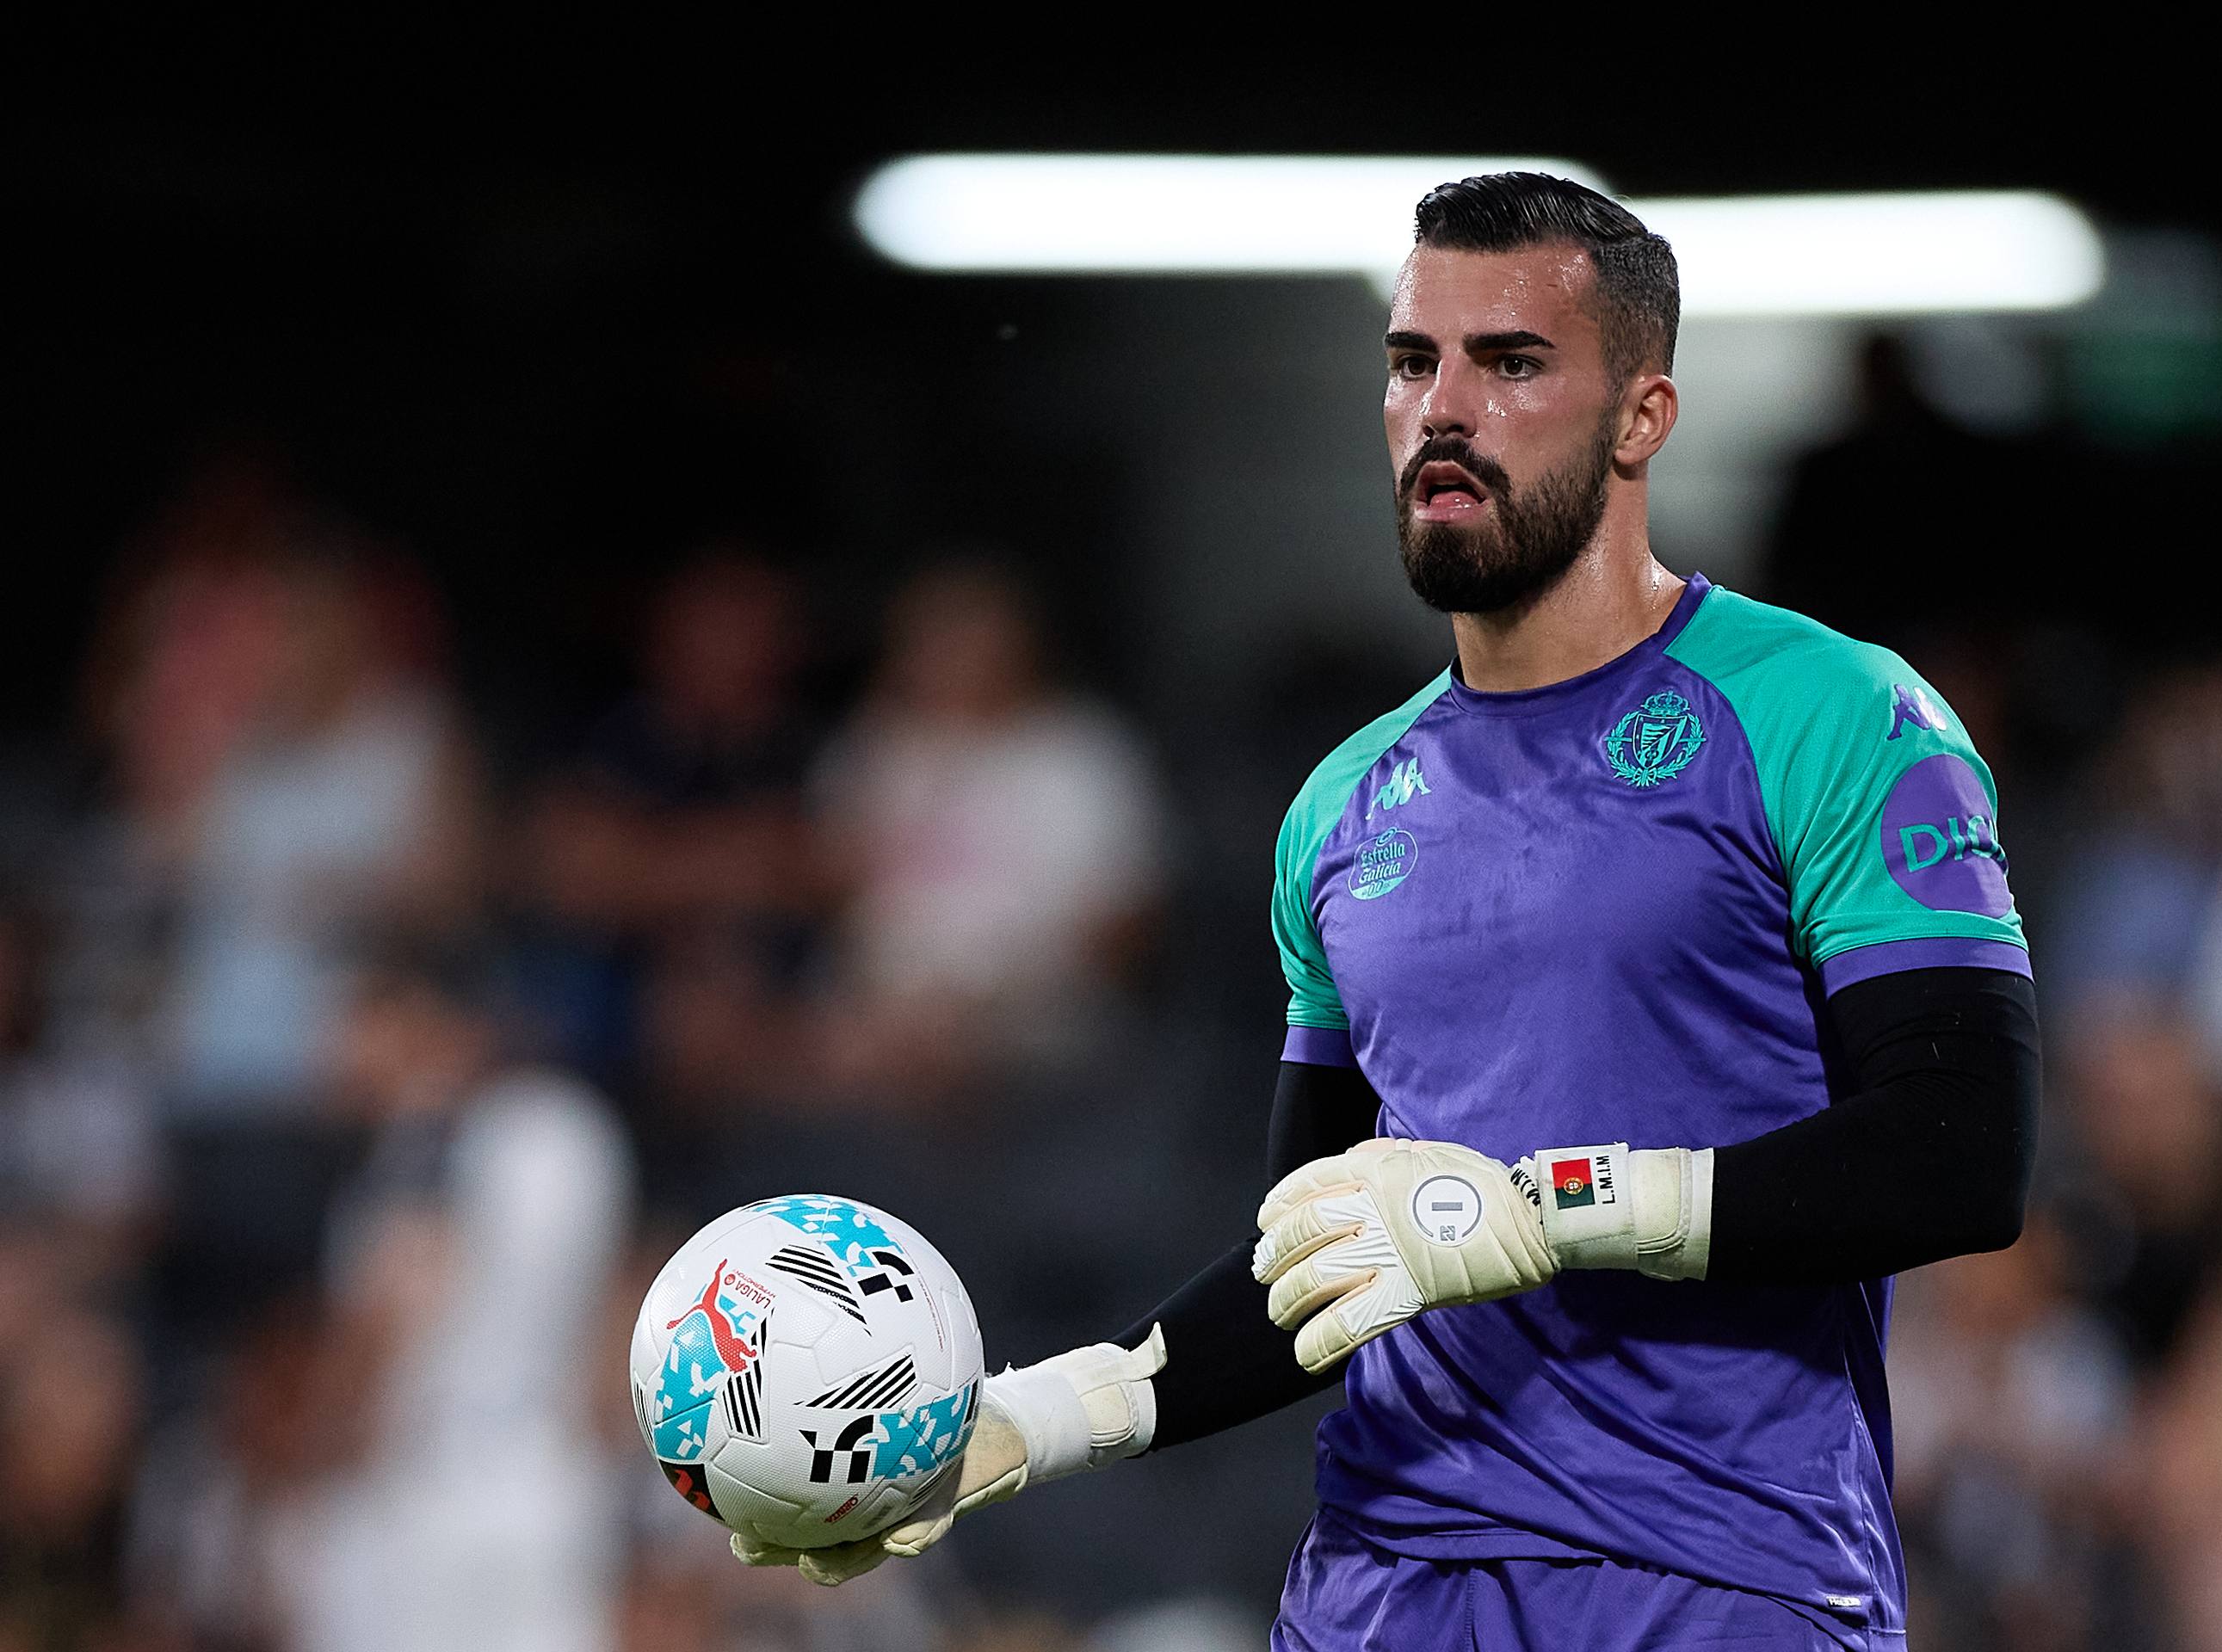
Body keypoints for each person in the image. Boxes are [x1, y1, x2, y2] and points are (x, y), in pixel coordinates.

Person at [736, 174, 2041, 1651]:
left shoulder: (1834, 714)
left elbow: (1960, 1151)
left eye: (1513, 362)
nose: (1444, 408)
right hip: (1380, 1588)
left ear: (1643, 418)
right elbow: (1317, 1259)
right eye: (1415, 361)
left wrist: (1550, 1211)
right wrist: (1030, 1422)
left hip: (1716, 1584)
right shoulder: (1341, 808)